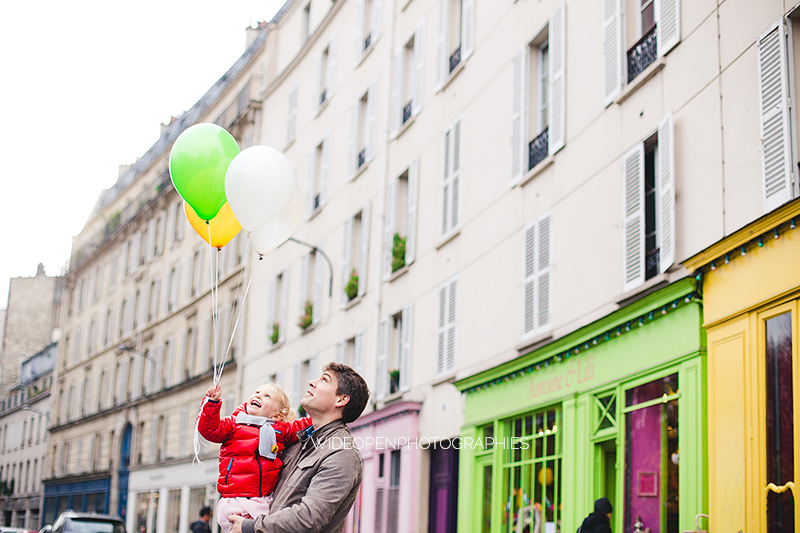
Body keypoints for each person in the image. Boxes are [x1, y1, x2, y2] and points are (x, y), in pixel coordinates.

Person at [230, 362, 370, 533]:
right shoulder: (297, 441)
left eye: (324, 380)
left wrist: (250, 527)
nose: (312, 382)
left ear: (341, 400)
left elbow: (309, 518)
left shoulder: (342, 454)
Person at [198, 382, 313, 533]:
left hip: (261, 499)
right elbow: (209, 429)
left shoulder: (279, 430)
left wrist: (322, 414)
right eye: (257, 392)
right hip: (234, 497)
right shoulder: (234, 423)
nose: (258, 395)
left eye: (267, 396)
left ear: (277, 415)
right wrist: (212, 404)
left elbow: (303, 426)